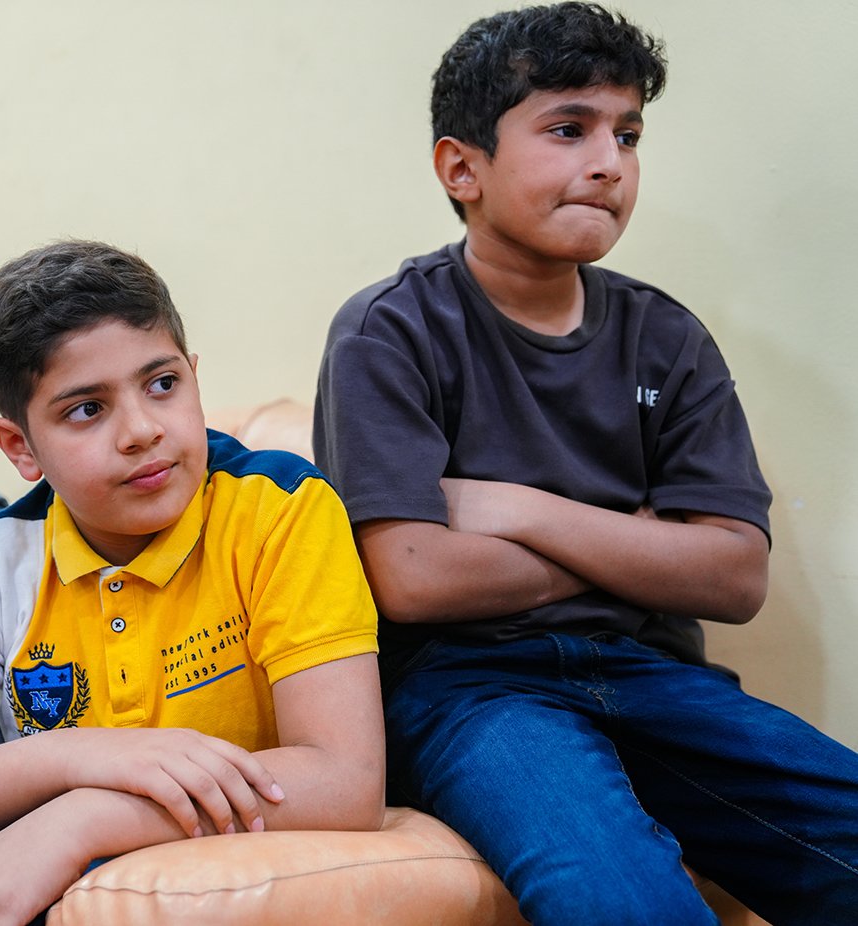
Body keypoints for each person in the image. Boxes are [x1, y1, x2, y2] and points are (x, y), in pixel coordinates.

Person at [315, 4, 858, 923]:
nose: (609, 162)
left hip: (652, 675)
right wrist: (638, 546)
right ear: (461, 168)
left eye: (627, 135)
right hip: (469, 689)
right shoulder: (389, 330)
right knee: (625, 900)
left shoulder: (667, 338)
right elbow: (410, 578)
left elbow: (733, 577)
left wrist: (522, 511)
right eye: (568, 129)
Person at [0, 240, 384, 926]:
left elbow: (346, 781)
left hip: (198, 853)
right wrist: (78, 756)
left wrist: (84, 817)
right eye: (87, 410)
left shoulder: (282, 510)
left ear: (193, 376)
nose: (142, 431)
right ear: (20, 447)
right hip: (24, 846)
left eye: (162, 384)